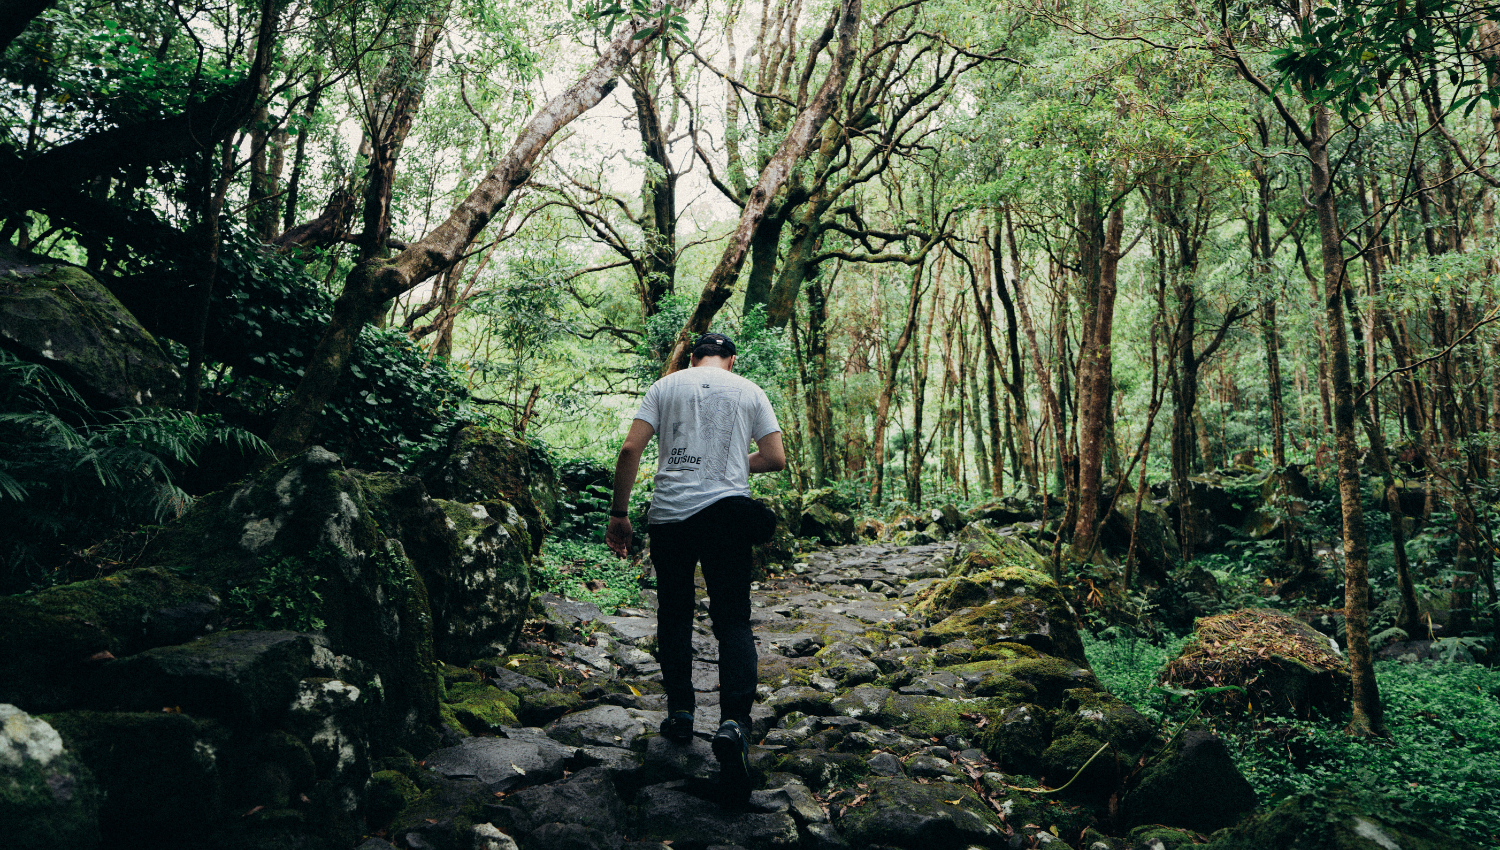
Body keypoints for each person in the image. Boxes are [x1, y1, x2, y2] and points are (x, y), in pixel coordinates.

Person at [606, 331, 785, 794]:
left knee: (675, 615)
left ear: (692, 357)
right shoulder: (750, 390)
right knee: (732, 622)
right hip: (728, 514)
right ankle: (733, 725)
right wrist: (731, 464)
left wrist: (620, 513)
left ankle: (681, 715)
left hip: (670, 518)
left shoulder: (665, 386)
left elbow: (630, 450)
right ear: (731, 360)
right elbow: (775, 457)